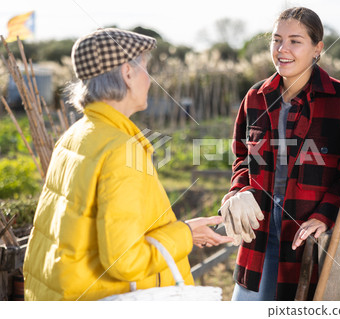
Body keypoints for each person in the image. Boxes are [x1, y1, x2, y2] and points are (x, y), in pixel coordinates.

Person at [23, 28, 232, 301]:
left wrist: (186, 230)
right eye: (146, 68)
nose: (150, 79)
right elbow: (125, 260)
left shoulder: (75, 135)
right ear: (127, 73)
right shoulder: (121, 150)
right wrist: (186, 234)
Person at [220, 7, 340, 301]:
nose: (282, 49)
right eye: (276, 39)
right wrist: (239, 191)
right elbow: (243, 157)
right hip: (261, 226)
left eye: (295, 41)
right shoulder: (255, 98)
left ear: (317, 48)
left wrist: (324, 216)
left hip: (312, 231)